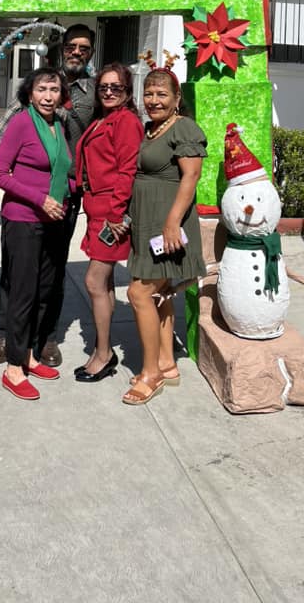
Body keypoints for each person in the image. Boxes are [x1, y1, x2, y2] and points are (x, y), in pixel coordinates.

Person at [0, 23, 96, 367]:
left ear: (90, 53)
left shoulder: (95, 93)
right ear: (61, 49)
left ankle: (46, 337)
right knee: (16, 273)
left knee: (53, 271)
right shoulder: (33, 101)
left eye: (84, 48)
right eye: (71, 47)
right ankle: (8, 335)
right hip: (29, 204)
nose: (77, 52)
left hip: (66, 197)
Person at [123, 62, 207, 405]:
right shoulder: (152, 129)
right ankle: (167, 363)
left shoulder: (184, 128)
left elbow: (190, 177)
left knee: (139, 293)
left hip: (168, 226)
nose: (154, 100)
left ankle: (151, 375)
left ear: (176, 99)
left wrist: (172, 222)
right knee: (161, 295)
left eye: (162, 94)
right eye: (149, 94)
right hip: (148, 224)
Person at [0, 68, 73, 400]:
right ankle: (13, 368)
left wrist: (70, 192)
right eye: (42, 89)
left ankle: (29, 355)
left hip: (54, 219)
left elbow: (61, 167)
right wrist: (40, 199)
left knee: (44, 290)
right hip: (24, 218)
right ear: (30, 93)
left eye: (54, 89)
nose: (49, 96)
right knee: (22, 293)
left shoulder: (57, 126)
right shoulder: (22, 122)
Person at [73, 63, 143, 383]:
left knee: (93, 281)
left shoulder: (125, 121)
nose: (110, 92)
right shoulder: (103, 118)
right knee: (105, 282)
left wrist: (116, 214)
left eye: (117, 87)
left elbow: (127, 170)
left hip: (110, 212)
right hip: (97, 208)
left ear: (128, 91)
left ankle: (103, 354)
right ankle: (104, 349)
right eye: (104, 87)